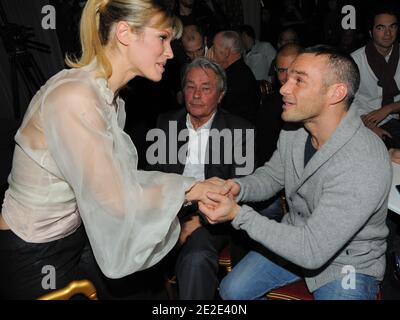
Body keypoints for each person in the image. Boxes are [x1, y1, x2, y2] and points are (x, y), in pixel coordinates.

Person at [0, 0, 225, 299]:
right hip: (34, 252)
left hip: (76, 236)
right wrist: (192, 188)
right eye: (162, 38)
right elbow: (114, 198)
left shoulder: (111, 99)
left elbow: (117, 181)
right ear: (124, 33)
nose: (171, 52)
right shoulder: (75, 97)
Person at [199, 45, 392, 300]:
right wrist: (238, 188)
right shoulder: (295, 131)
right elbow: (272, 176)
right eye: (287, 77)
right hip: (294, 240)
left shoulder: (363, 159)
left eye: (299, 80)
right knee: (231, 290)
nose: (283, 88)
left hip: (349, 263)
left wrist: (238, 214)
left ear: (336, 93)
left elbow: (312, 250)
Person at [150, 57, 255, 299]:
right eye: (190, 86)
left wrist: (196, 221)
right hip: (168, 211)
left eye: (206, 88)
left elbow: (240, 191)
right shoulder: (165, 123)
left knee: (195, 258)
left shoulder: (240, 131)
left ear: (220, 95)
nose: (196, 95)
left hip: (212, 215)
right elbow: (153, 178)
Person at [351, 6, 400, 148]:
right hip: (364, 121)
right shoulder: (355, 61)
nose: (388, 33)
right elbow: (346, 104)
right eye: (380, 28)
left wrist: (389, 108)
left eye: (392, 27)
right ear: (371, 32)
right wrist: (369, 127)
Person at [208, 30, 260, 125]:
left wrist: (209, 67)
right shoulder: (239, 71)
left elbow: (210, 108)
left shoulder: (233, 78)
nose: (210, 51)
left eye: (214, 48)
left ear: (226, 52)